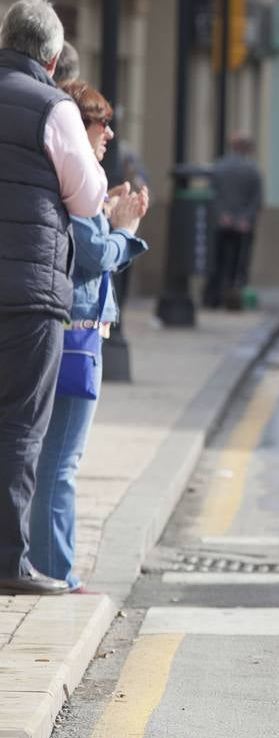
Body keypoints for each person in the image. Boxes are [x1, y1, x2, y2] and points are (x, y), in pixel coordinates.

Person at [0, 0, 108, 595]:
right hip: (28, 294)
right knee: (19, 427)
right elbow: (89, 197)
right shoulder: (53, 105)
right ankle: (10, 563)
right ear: (49, 55)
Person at [30, 81, 149, 591]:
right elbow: (94, 256)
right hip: (75, 335)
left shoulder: (71, 179)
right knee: (60, 460)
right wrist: (121, 228)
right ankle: (56, 570)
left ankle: (51, 564)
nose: (110, 133)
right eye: (102, 123)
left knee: (50, 458)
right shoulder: (76, 175)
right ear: (81, 127)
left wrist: (106, 214)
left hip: (73, 329)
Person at [204, 133, 263, 310]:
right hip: (242, 226)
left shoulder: (219, 167)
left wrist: (222, 215)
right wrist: (245, 218)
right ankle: (234, 299)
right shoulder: (253, 170)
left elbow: (212, 194)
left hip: (222, 224)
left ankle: (213, 297)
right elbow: (256, 199)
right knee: (240, 263)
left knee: (218, 260)